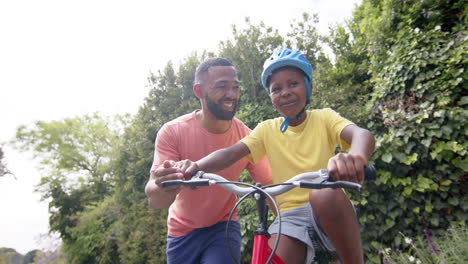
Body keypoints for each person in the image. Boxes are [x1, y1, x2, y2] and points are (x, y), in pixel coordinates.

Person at [175, 48, 375, 264]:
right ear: (270, 97)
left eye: (293, 84)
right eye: (276, 88)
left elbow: (362, 135)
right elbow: (230, 153)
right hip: (289, 219)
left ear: (309, 88)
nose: (285, 92)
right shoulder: (266, 129)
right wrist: (196, 166)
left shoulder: (324, 118)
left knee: (323, 193)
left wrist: (355, 157)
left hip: (329, 210)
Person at [144, 57, 272, 264]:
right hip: (181, 232)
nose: (231, 94)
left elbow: (270, 189)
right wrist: (161, 185)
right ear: (199, 91)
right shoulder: (172, 132)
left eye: (235, 87)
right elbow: (156, 200)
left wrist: (289, 226)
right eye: (222, 87)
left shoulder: (248, 139)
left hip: (223, 227)